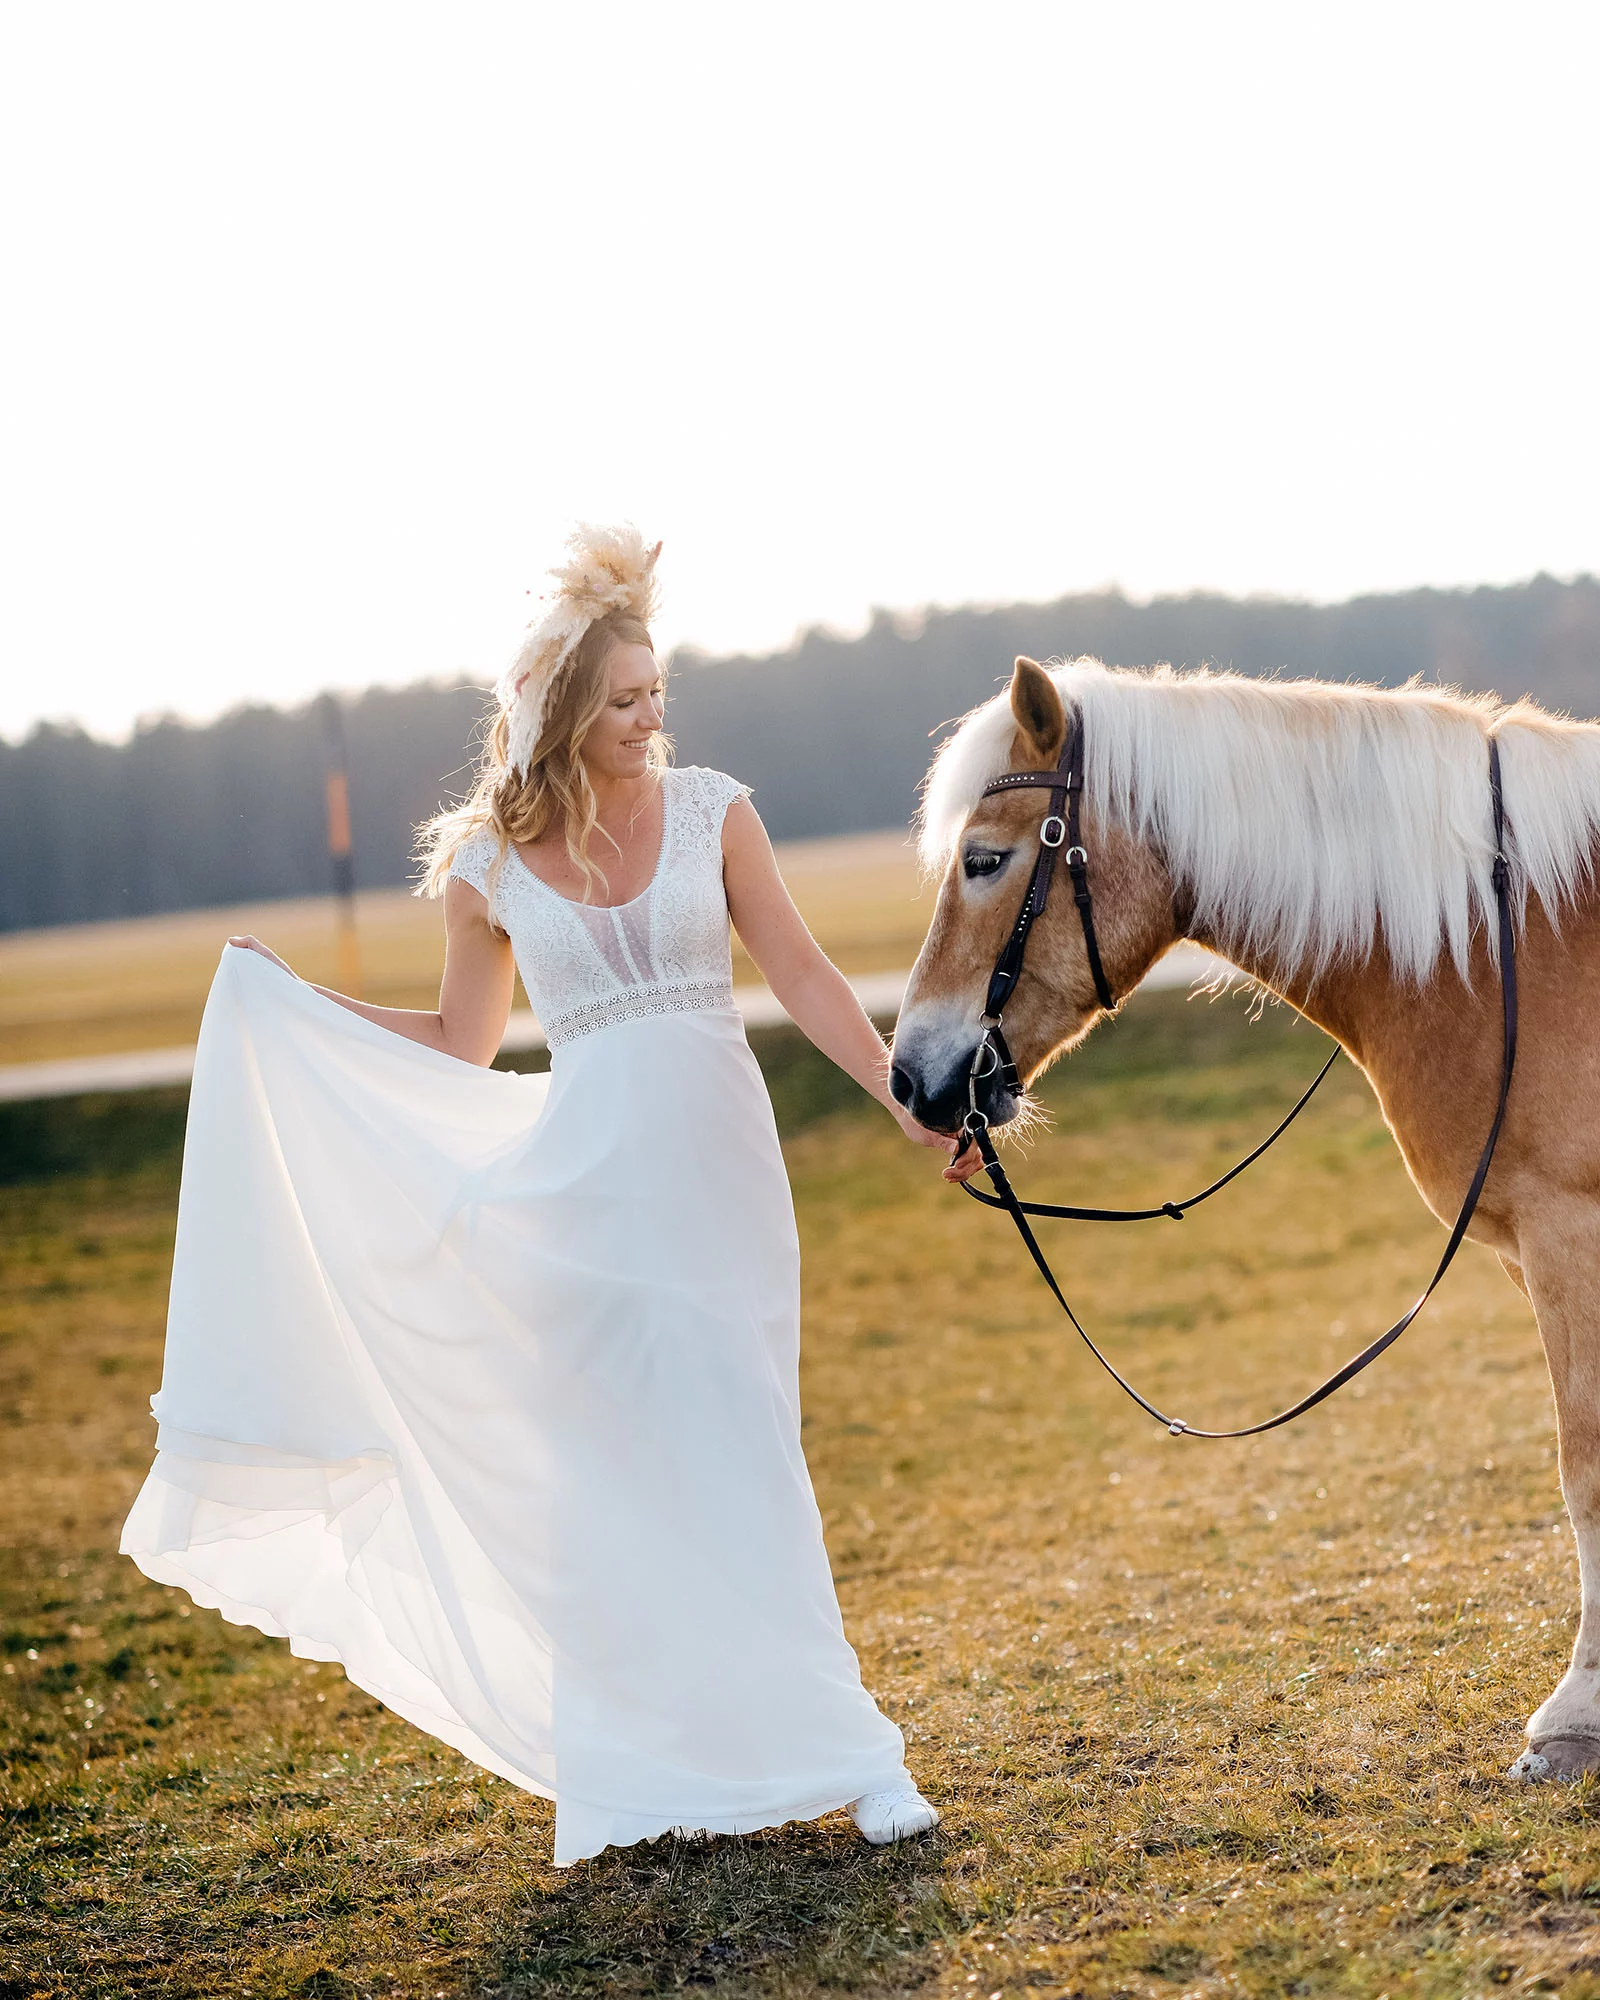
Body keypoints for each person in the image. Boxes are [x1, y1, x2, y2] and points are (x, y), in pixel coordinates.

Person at [121, 524, 966, 1865]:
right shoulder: (488, 867)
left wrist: (909, 1102)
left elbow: (803, 974)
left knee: (746, 1447)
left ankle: (856, 1762)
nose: (651, 720)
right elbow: (463, 1041)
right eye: (625, 701)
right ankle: (639, 1780)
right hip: (585, 1189)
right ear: (564, 711)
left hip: (719, 1173)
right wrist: (299, 1006)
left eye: (658, 695)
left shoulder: (715, 809)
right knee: (613, 1474)